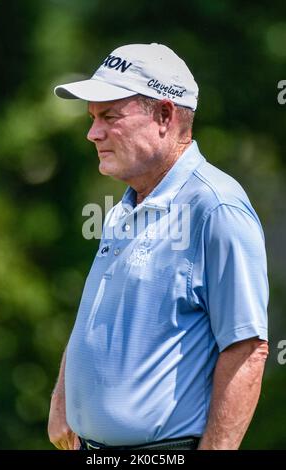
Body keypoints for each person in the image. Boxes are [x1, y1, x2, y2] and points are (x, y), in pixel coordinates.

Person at [48, 43, 269, 451]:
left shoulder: (216, 206)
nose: (92, 133)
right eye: (93, 118)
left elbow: (246, 349)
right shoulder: (124, 208)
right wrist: (64, 398)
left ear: (165, 115)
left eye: (109, 116)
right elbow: (94, 318)